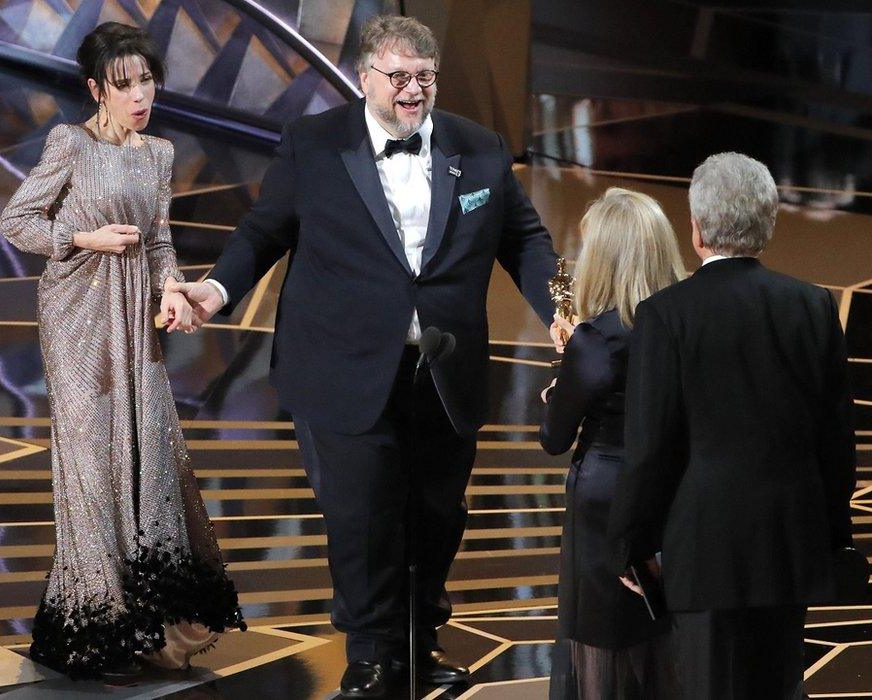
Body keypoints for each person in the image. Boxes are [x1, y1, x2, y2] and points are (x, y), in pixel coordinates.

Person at [168, 14, 556, 698]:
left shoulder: (481, 149)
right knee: (364, 518)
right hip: (340, 367)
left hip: (442, 369)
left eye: (424, 79)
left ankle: (417, 640)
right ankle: (373, 656)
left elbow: (523, 240)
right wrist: (215, 289)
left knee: (437, 515)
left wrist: (563, 311)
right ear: (365, 77)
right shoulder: (314, 144)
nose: (413, 92)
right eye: (399, 78)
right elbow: (265, 231)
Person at [0, 21, 244, 680]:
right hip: (77, 324)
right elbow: (18, 221)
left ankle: (138, 634)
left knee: (148, 464)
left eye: (146, 81)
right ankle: (101, 639)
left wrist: (173, 290)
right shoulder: (69, 144)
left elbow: (160, 242)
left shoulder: (158, 152)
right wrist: (83, 240)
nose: (140, 95)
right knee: (92, 473)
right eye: (124, 84)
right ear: (95, 88)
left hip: (138, 325)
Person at [608, 152, 856, 700]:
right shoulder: (813, 307)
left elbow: (649, 448)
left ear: (696, 229)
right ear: (768, 222)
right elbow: (836, 440)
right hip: (789, 543)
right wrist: (833, 535)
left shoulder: (666, 314)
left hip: (704, 550)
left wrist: (630, 544)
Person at [540, 188, 682, 699]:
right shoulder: (682, 322)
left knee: (602, 646)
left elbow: (554, 438)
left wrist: (563, 379)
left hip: (604, 505)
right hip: (672, 498)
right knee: (661, 635)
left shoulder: (594, 341)